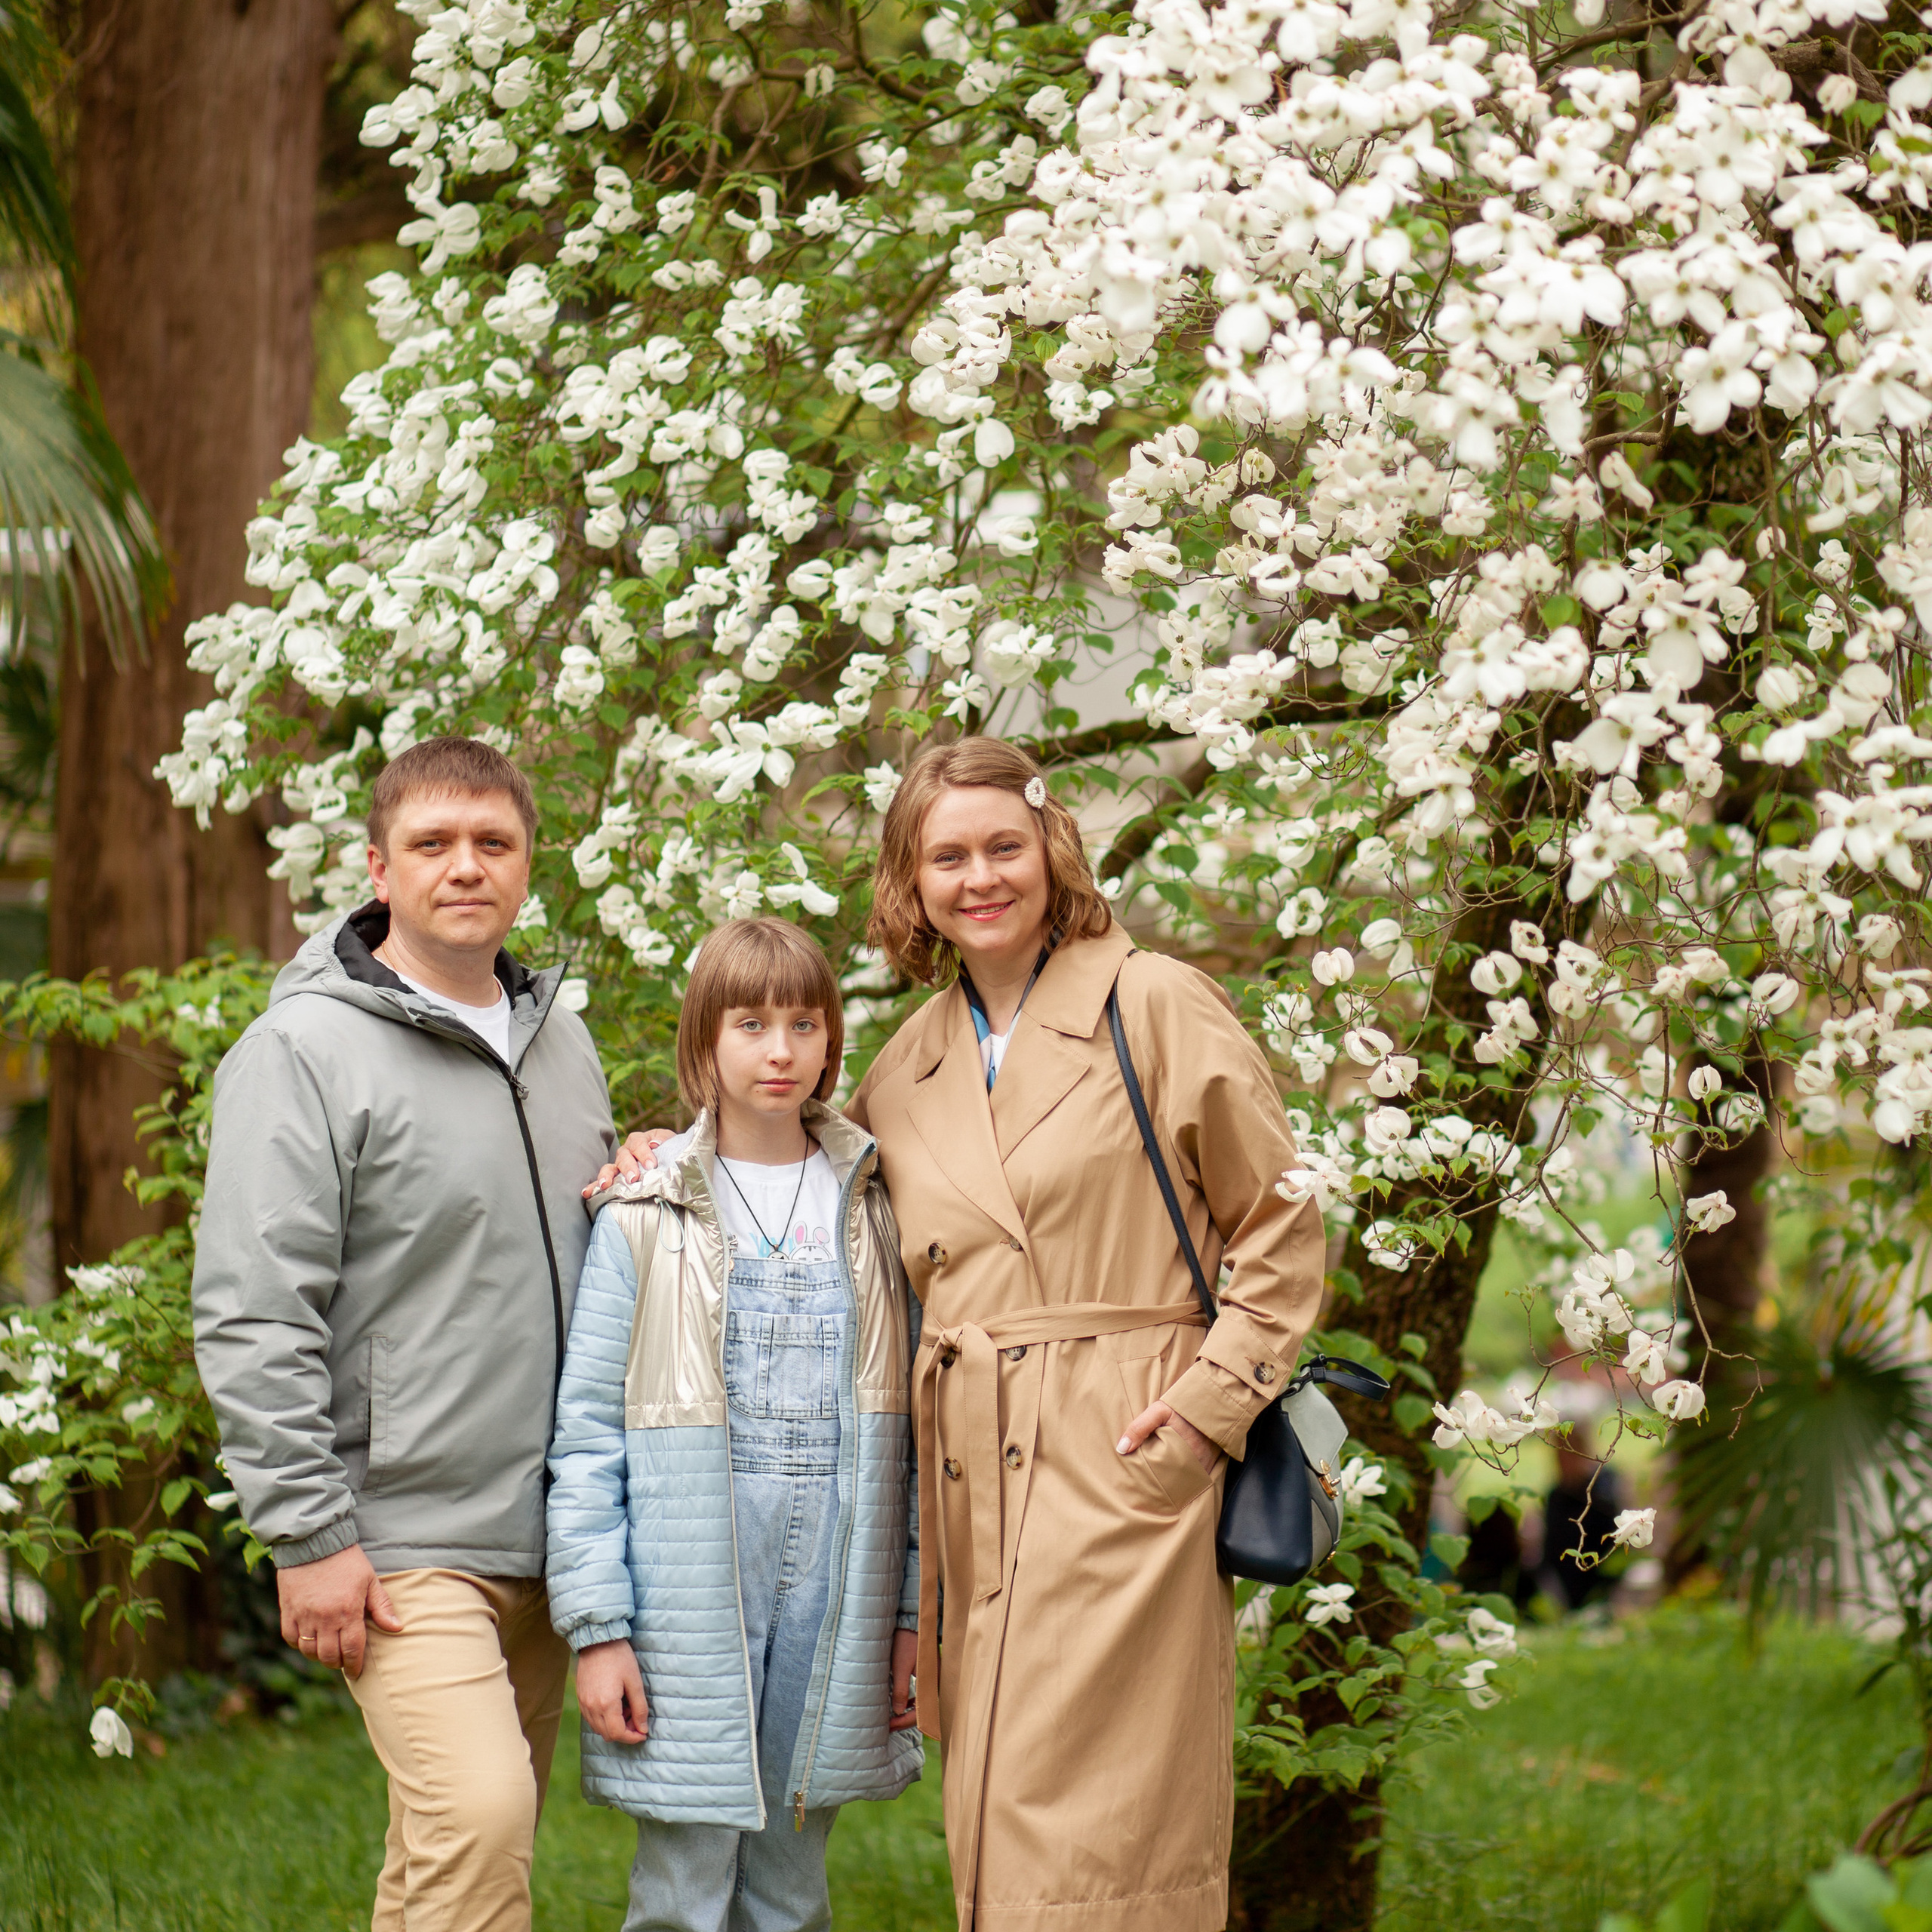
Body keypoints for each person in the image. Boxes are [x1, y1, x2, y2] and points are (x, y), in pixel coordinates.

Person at [609, 737, 1328, 1932]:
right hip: (971, 1482)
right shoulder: (908, 1063)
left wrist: (1208, 1416)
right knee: (996, 1806)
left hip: (1130, 1443)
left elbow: (1282, 1225)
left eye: (1005, 845)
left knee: (1108, 1817)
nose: (980, 876)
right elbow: (802, 1174)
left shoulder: (1153, 1002)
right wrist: (661, 1157)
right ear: (912, 880)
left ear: (1051, 848)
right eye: (948, 856)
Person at [192, 737, 617, 1932]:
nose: (465, 867)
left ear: (529, 866)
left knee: (468, 1850)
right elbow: (251, 1304)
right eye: (433, 844)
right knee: (479, 1821)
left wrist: (637, 1170)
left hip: (552, 1524)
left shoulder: (559, 1039)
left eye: (493, 842)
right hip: (399, 1536)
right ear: (379, 869)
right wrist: (307, 1532)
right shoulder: (303, 1052)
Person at [548, 916, 922, 1932]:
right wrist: (599, 1630)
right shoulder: (645, 1213)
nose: (781, 1051)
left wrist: (909, 1619)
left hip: (837, 1591)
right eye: (751, 1024)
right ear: (703, 1041)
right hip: (688, 1595)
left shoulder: (881, 1210)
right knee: (681, 1891)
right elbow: (586, 1441)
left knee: (793, 1889)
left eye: (805, 1024)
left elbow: (920, 1444)